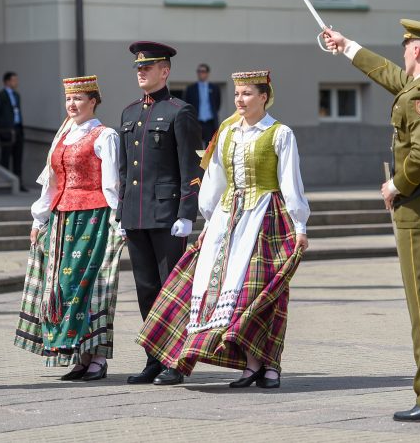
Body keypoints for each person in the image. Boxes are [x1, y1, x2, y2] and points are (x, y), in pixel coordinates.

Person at [322, 20, 420, 424]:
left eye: (406, 49)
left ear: (417, 51)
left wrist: (395, 186)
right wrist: (347, 46)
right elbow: (389, 75)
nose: (403, 55)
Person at [136, 70, 309, 390]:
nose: (239, 100)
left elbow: (290, 181)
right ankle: (248, 365)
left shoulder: (280, 133)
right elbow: (215, 181)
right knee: (210, 288)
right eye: (236, 94)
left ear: (264, 97)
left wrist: (299, 225)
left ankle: (268, 366)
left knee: (261, 293)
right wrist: (208, 221)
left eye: (246, 94)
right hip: (227, 220)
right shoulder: (227, 131)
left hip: (264, 218)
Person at [13, 75, 123, 381]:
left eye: (78, 99)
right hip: (63, 219)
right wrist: (40, 219)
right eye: (68, 99)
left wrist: (118, 222)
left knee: (92, 285)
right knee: (63, 288)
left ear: (93, 102)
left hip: (93, 217)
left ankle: (97, 357)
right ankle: (80, 354)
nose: (71, 105)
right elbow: (52, 182)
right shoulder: (63, 136)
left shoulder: (105, 136)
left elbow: (112, 183)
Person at [118, 41, 203, 386]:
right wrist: (121, 212)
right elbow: (125, 170)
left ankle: (176, 360)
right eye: (138, 68)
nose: (141, 72)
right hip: (136, 216)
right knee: (146, 289)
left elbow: (191, 167)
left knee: (172, 289)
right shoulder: (128, 112)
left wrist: (187, 212)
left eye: (148, 68)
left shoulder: (179, 111)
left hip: (168, 216)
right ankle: (154, 358)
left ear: (164, 71)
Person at [0, 71, 27, 190]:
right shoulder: (0, 96)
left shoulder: (17, 95)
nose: (16, 82)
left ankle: (19, 184)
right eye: (14, 80)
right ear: (7, 81)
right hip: (6, 131)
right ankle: (5, 184)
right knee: (5, 157)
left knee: (18, 157)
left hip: (17, 129)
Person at [184, 63, 221, 146]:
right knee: (195, 146)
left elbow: (217, 104)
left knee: (210, 147)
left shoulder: (214, 88)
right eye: (199, 71)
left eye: (203, 71)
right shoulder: (191, 89)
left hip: (210, 123)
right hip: (196, 122)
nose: (200, 73)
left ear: (207, 73)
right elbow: (187, 105)